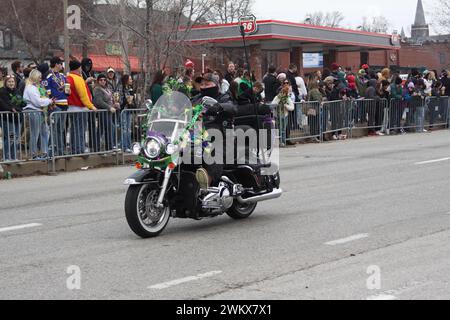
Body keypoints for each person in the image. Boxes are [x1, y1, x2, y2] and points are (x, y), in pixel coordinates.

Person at [67, 60, 97, 155]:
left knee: (74, 129)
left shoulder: (68, 77)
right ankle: (79, 149)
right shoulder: (77, 78)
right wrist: (91, 106)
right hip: (80, 108)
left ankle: (74, 149)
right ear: (78, 67)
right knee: (80, 130)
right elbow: (83, 96)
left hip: (72, 108)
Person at [23, 69, 54, 160]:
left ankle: (44, 152)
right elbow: (38, 102)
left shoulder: (34, 87)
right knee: (35, 133)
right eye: (39, 77)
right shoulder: (30, 88)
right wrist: (49, 100)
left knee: (45, 131)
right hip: (34, 111)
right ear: (35, 77)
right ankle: (33, 154)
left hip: (39, 112)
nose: (40, 79)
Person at [46, 57, 69, 156]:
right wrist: (51, 102)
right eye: (60, 64)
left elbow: (66, 88)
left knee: (61, 129)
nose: (61, 66)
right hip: (56, 105)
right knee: (54, 129)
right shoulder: (49, 76)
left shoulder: (62, 76)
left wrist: (68, 91)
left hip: (64, 104)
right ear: (56, 64)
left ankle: (60, 150)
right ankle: (51, 150)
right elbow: (47, 91)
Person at [0, 75, 25, 161]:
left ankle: (14, 156)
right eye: (9, 82)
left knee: (16, 138)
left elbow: (21, 103)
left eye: (13, 81)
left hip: (18, 119)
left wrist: (21, 105)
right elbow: (4, 104)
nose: (11, 83)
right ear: (5, 82)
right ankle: (7, 157)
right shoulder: (2, 91)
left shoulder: (17, 91)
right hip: (8, 119)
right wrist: (11, 108)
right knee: (10, 137)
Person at [93, 74, 119, 151]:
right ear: (98, 81)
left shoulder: (107, 88)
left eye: (104, 80)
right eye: (101, 80)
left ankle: (102, 147)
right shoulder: (97, 89)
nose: (103, 81)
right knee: (110, 128)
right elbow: (98, 101)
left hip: (108, 112)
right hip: (102, 112)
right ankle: (107, 147)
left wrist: (114, 105)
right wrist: (109, 107)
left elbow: (109, 100)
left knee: (102, 130)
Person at [120, 74, 136, 153]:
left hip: (129, 110)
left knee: (129, 129)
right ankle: (124, 146)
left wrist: (133, 103)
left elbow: (133, 99)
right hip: (124, 110)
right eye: (130, 79)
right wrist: (127, 100)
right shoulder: (122, 88)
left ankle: (129, 146)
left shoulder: (130, 89)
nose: (131, 80)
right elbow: (121, 100)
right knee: (124, 129)